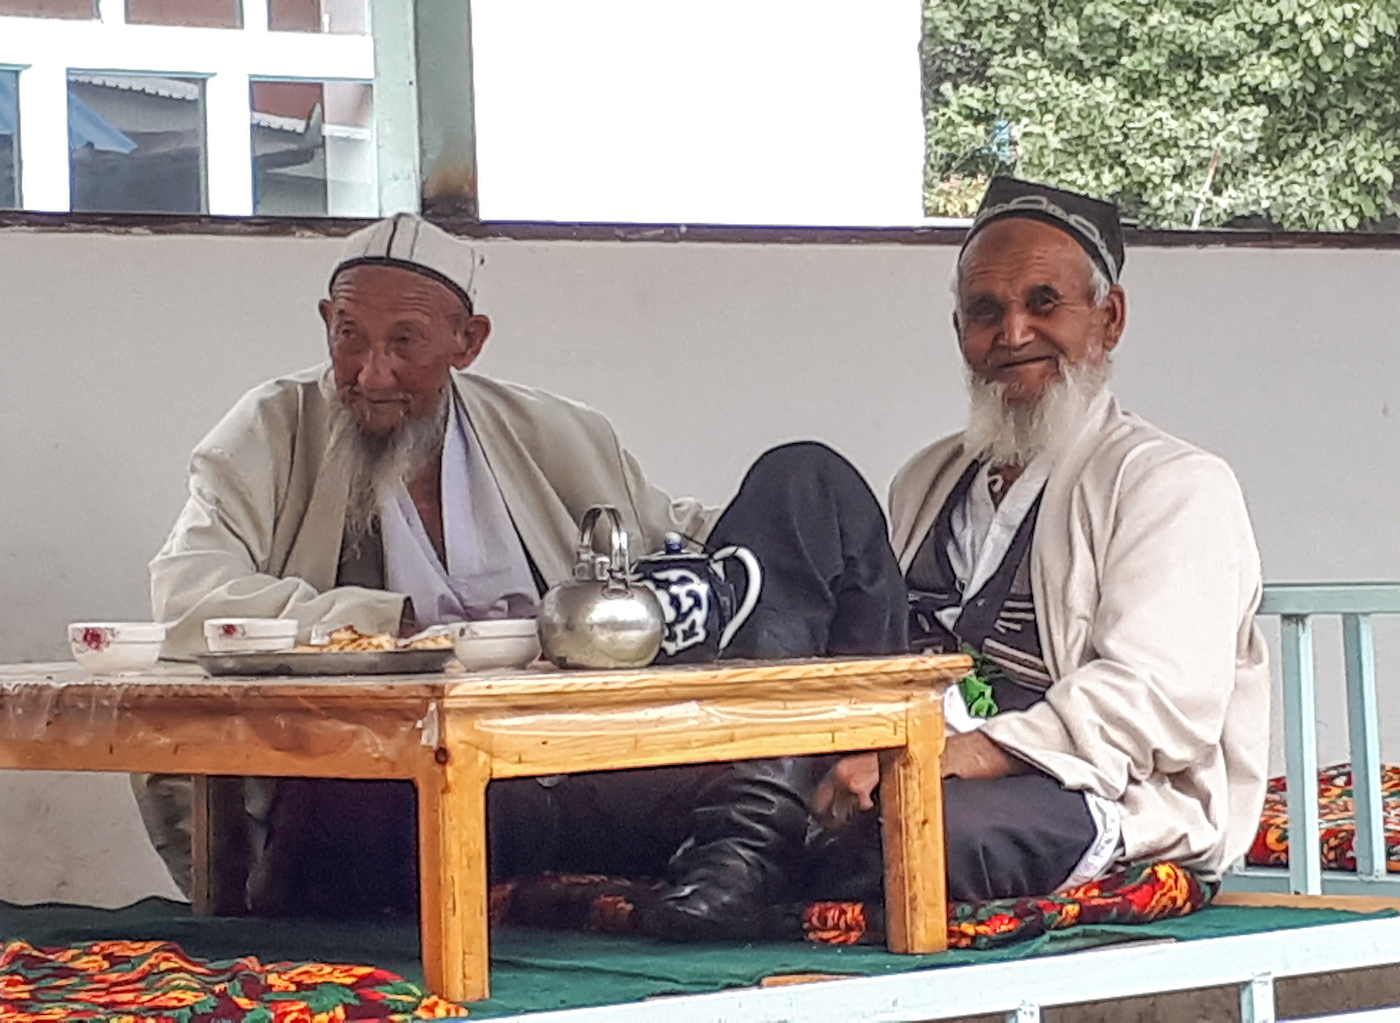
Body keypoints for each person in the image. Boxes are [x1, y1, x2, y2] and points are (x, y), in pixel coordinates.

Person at [138, 213, 906, 937]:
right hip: (403, 789)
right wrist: (385, 627)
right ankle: (752, 855)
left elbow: (682, 535)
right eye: (350, 337)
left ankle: (751, 839)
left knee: (807, 480)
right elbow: (188, 593)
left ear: (467, 342)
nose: (372, 372)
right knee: (351, 799)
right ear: (325, 324)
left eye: (405, 342)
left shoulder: (551, 431)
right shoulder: (272, 428)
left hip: (580, 774)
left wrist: (787, 527)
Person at [807, 177, 1271, 903]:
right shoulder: (925, 479)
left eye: (1044, 303)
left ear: (1109, 319)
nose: (1014, 334)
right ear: (959, 332)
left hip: (1090, 793)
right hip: (911, 767)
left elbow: (1155, 702)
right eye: (986, 312)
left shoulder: (1174, 483)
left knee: (926, 832)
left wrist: (959, 753)